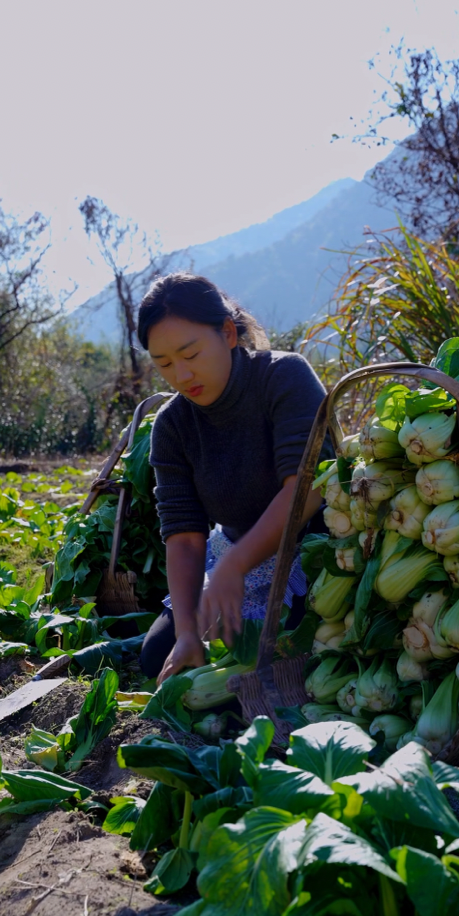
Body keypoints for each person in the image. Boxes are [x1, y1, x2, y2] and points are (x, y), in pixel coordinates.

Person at [137, 272, 333, 685]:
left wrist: (233, 567)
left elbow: (306, 490)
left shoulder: (284, 377)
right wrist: (188, 630)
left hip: (314, 550)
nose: (181, 375)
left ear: (227, 333)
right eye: (165, 364)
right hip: (232, 553)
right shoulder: (172, 425)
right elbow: (185, 535)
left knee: (286, 655)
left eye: (190, 354)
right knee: (160, 654)